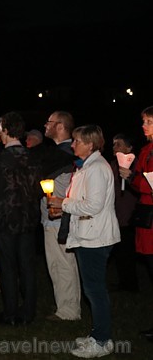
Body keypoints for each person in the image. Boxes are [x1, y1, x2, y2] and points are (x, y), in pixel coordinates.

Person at [48, 125, 120, 358]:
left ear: (90, 144)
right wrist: (64, 207)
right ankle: (99, 335)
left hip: (95, 238)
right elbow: (83, 200)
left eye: (77, 141)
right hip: (88, 234)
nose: (72, 144)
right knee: (93, 289)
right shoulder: (87, 167)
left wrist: (64, 204)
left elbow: (93, 205)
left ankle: (101, 341)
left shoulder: (97, 168)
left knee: (95, 291)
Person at [0, 111, 42, 326]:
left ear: (6, 131)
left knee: (8, 267)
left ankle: (10, 313)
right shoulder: (33, 157)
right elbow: (37, 189)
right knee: (27, 266)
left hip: (5, 220)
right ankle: (27, 313)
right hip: (28, 220)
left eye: (1, 128)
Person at [42, 111, 81, 322]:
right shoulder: (59, 153)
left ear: (59, 126)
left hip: (59, 217)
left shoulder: (65, 154)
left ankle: (69, 311)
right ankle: (64, 304)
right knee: (56, 264)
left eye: (49, 122)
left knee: (63, 263)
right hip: (52, 216)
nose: (45, 126)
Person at [127, 105, 153, 341]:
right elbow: (141, 182)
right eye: (143, 121)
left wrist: (135, 179)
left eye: (148, 122)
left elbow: (146, 183)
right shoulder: (146, 149)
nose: (143, 126)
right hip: (146, 216)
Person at [109, 133, 139, 293]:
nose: (115, 148)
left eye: (119, 144)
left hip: (129, 214)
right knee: (119, 251)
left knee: (127, 250)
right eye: (113, 144)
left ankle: (130, 284)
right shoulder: (112, 165)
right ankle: (124, 282)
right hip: (115, 213)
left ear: (129, 147)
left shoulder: (135, 165)